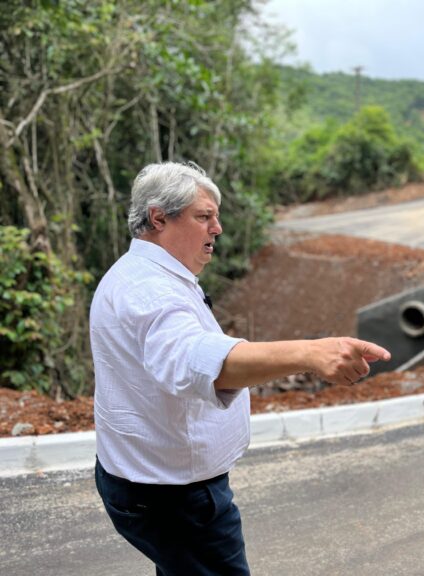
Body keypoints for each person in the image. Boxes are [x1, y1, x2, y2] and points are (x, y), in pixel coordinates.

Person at [91, 161, 390, 575]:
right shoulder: (150, 290)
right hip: (175, 497)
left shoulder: (141, 274)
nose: (218, 229)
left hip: (150, 481)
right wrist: (311, 353)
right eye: (204, 217)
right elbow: (196, 361)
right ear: (158, 218)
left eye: (216, 217)